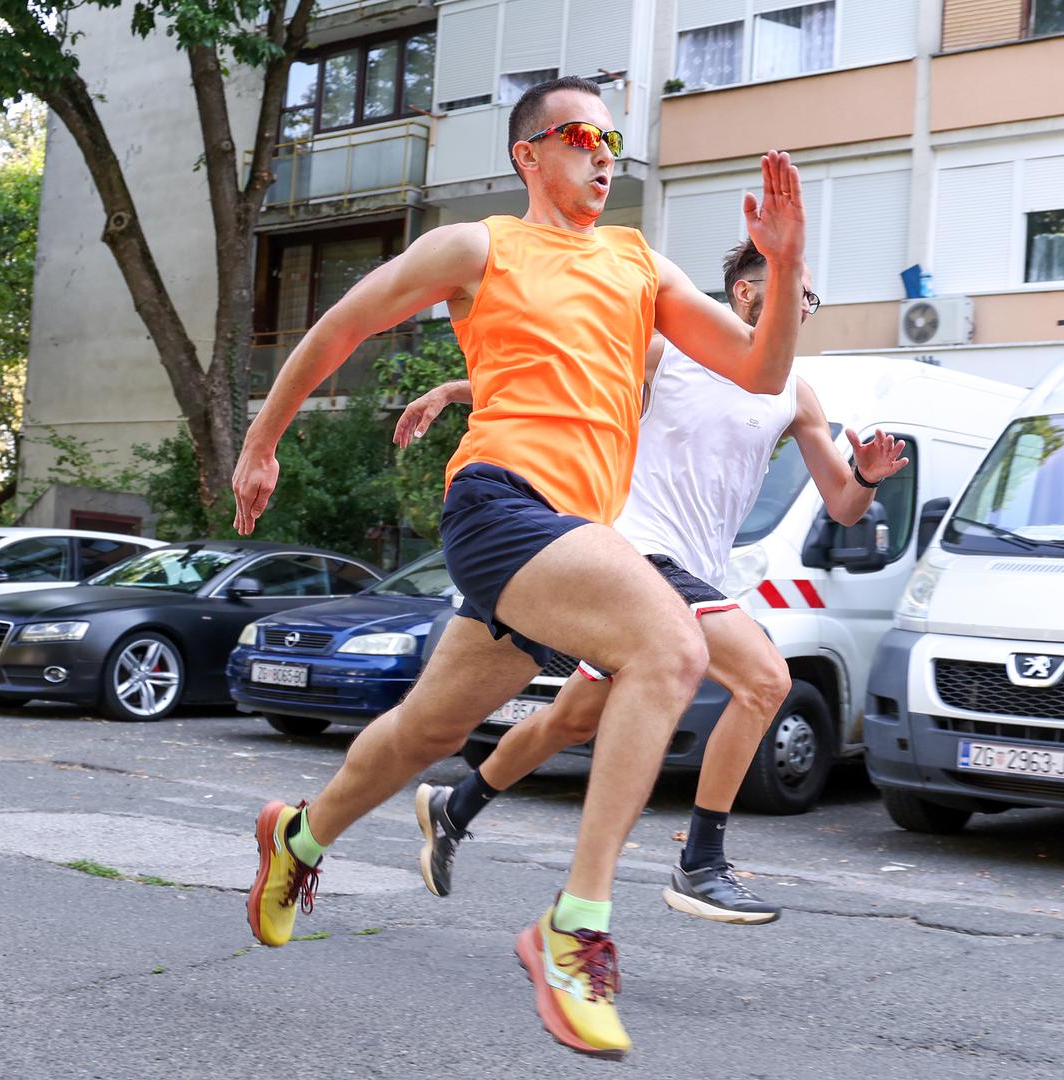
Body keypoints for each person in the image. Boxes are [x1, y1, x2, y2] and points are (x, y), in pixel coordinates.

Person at [231, 75, 808, 1059]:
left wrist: (784, 266)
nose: (603, 153)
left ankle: (298, 838)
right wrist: (262, 438)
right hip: (501, 504)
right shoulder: (481, 247)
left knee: (429, 728)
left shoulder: (637, 263)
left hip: (570, 537)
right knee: (667, 649)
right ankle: (574, 928)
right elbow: (343, 324)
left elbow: (759, 368)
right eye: (582, 135)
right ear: (529, 154)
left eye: (611, 139)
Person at [396, 238, 906, 924]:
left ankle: (452, 808)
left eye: (809, 297)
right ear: (748, 293)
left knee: (571, 719)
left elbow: (843, 505)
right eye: (794, 291)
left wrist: (867, 477)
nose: (804, 307)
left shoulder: (795, 393)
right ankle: (701, 862)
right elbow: (560, 374)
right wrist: (459, 389)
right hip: (637, 554)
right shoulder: (670, 352)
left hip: (695, 571)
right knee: (765, 680)